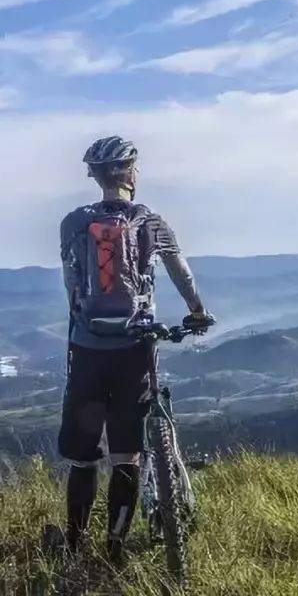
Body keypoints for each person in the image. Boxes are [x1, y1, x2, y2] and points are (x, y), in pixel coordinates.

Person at [57, 135, 215, 562]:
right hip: (134, 351)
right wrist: (197, 310)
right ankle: (115, 547)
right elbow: (180, 273)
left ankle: (73, 547)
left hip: (87, 349)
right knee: (126, 453)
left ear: (95, 176)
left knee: (85, 458)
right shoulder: (151, 222)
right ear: (129, 173)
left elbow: (71, 282)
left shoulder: (73, 222)